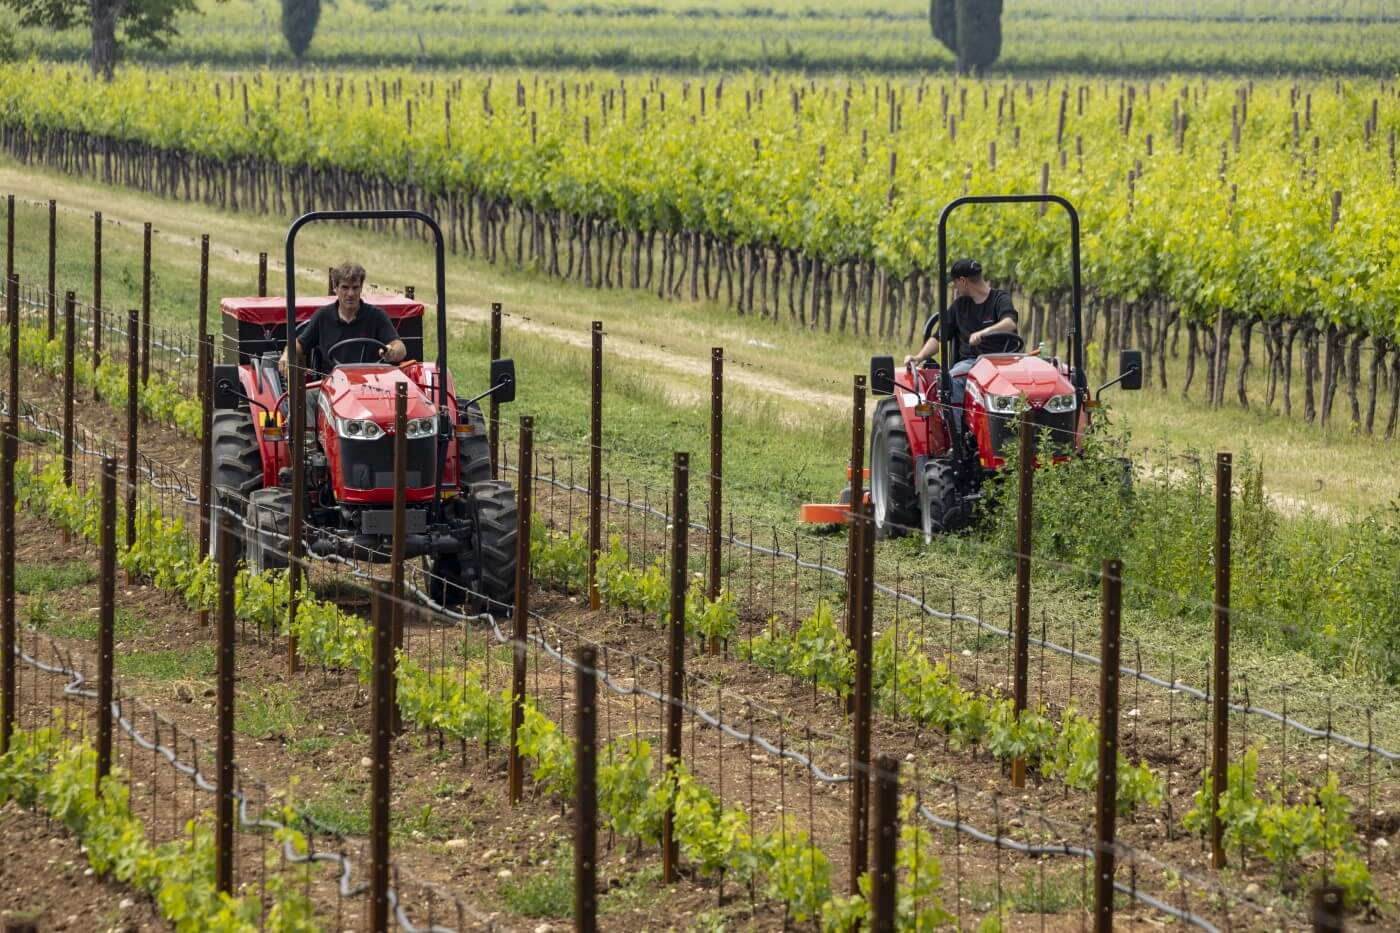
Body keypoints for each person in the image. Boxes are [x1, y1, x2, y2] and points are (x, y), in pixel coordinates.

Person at [903, 257, 1019, 432]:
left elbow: (1010, 323)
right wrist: (919, 357)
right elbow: (939, 337)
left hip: (1001, 362)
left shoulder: (1000, 299)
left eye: (955, 283)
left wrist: (983, 333)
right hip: (972, 365)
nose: (954, 287)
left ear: (963, 281)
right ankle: (956, 436)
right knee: (952, 377)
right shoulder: (959, 306)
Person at [278, 262, 407, 379]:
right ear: (335, 288)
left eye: (355, 288)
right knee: (304, 400)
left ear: (361, 288)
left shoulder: (376, 316)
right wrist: (286, 354)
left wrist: (392, 351)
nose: (350, 293)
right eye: (345, 287)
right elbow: (300, 344)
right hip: (331, 388)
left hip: (369, 386)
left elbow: (400, 348)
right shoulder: (323, 316)